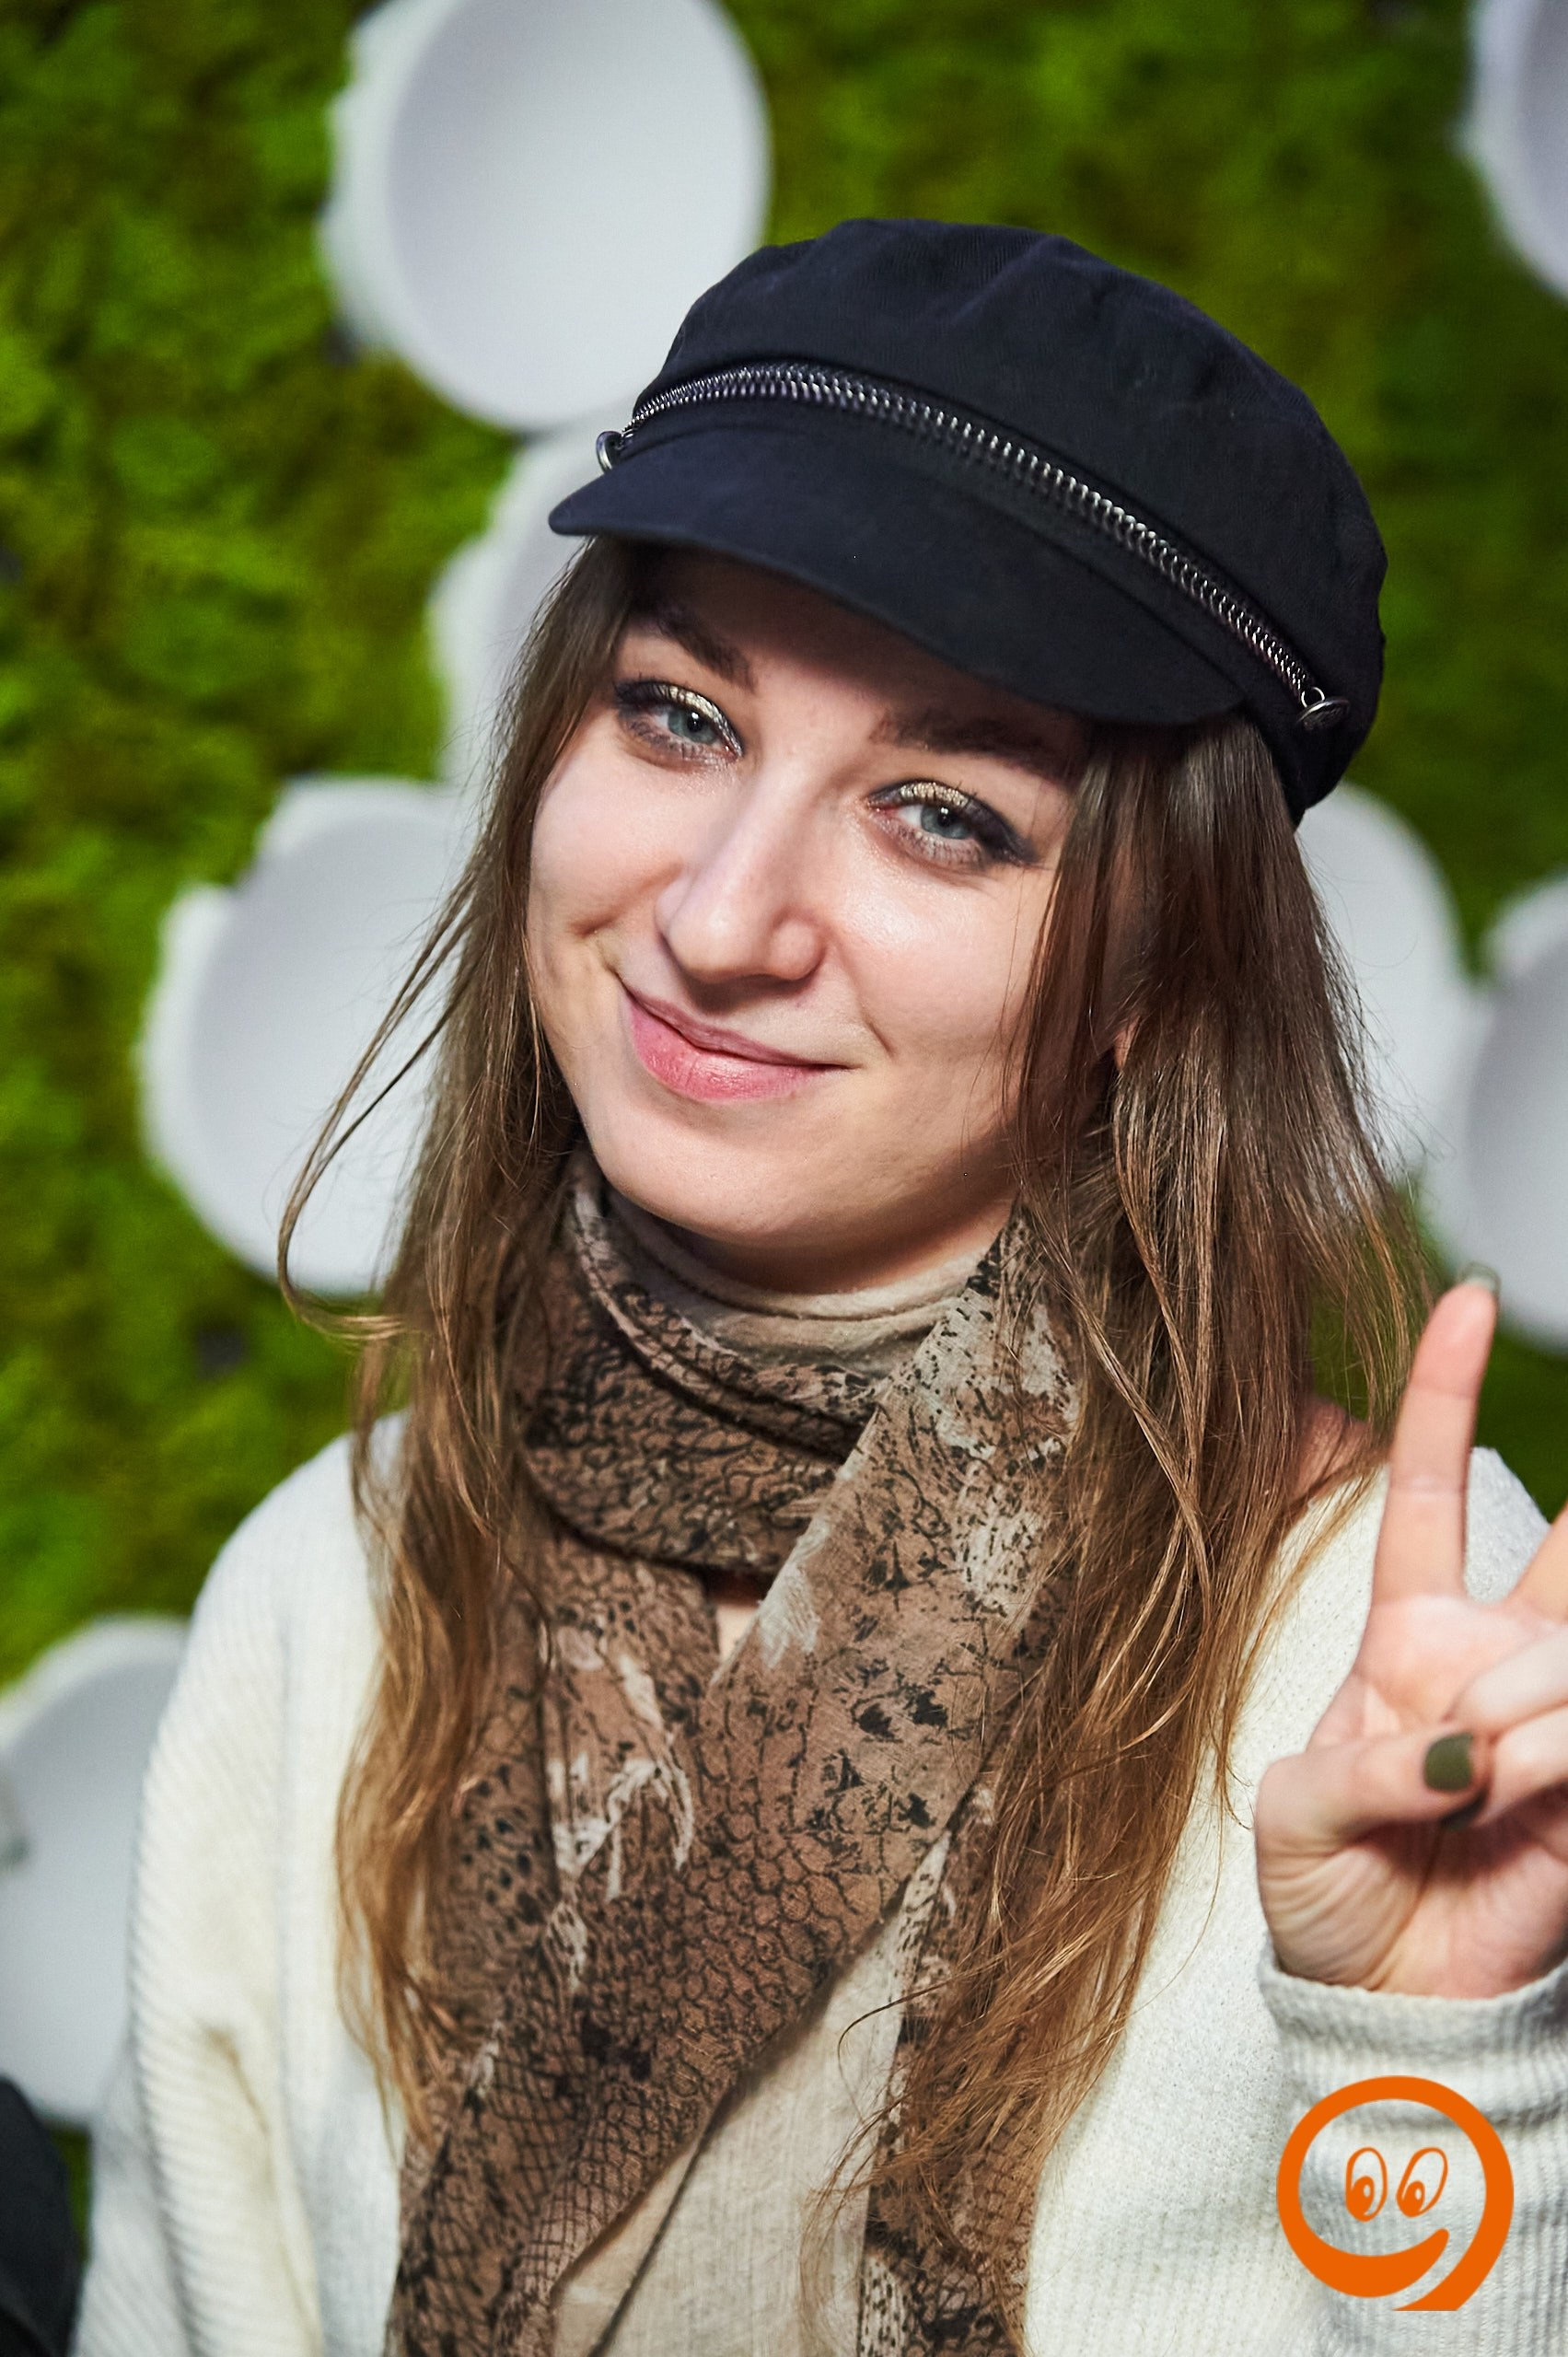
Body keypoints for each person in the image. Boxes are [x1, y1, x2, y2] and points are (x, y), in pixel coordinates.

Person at [76, 222, 1568, 2357]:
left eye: (941, 815)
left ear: (1156, 975)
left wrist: (1434, 2066)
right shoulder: (338, 1579)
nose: (720, 915)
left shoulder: (1363, 1644)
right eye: (679, 715)